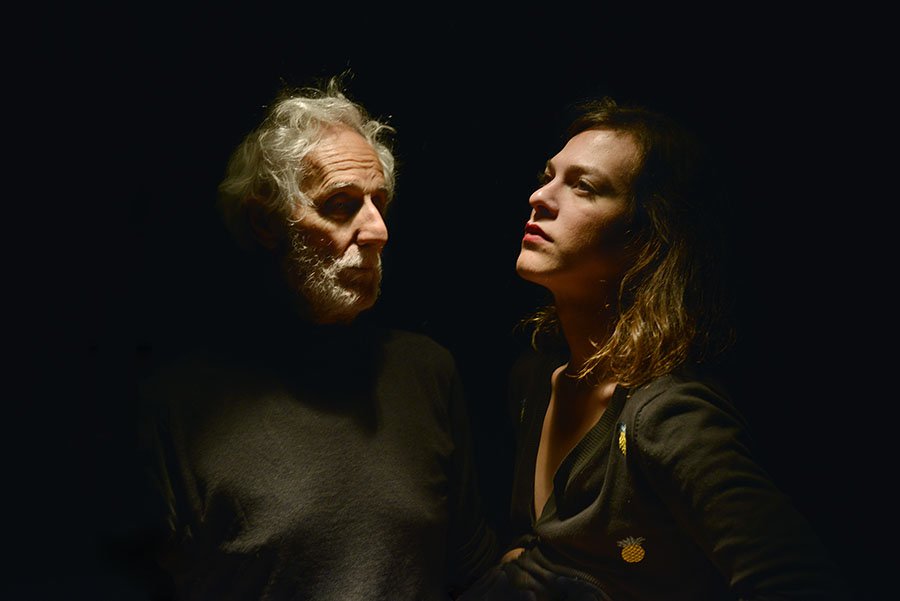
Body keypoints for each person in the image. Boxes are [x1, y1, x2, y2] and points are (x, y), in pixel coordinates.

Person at [121, 77, 498, 601]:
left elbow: (472, 568)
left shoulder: (427, 372)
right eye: (341, 204)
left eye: (379, 202)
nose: (377, 231)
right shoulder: (177, 405)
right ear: (265, 223)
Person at [460, 97, 851, 600]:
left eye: (584, 187)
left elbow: (797, 580)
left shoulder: (668, 416)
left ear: (646, 238)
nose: (540, 197)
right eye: (548, 176)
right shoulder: (535, 378)